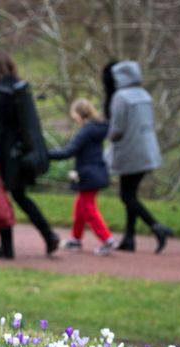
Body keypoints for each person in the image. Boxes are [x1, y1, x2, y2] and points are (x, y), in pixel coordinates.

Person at [0, 51, 59, 259]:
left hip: (6, 153)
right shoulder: (20, 89)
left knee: (2, 197)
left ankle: (7, 248)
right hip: (23, 151)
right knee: (20, 196)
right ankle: (48, 234)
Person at [107, 60, 173, 254]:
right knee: (131, 194)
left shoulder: (121, 97)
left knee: (126, 196)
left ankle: (155, 226)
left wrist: (108, 136)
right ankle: (129, 238)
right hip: (148, 151)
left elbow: (117, 128)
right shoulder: (144, 95)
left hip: (130, 151)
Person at [48, 99, 116, 256]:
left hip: (89, 174)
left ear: (79, 114)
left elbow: (68, 151)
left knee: (88, 209)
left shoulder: (86, 131)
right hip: (95, 171)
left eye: (75, 116)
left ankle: (107, 240)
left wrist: (46, 155)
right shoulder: (97, 128)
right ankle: (76, 239)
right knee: (80, 207)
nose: (74, 119)